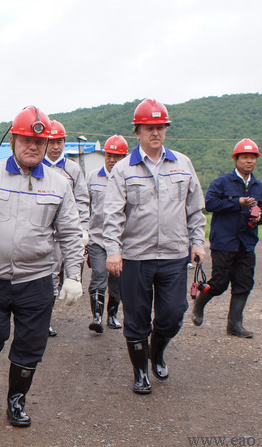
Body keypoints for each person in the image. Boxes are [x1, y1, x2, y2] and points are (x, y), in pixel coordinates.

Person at [0, 106, 84, 427]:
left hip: (36, 280)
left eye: (40, 141)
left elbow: (70, 231)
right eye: (26, 140)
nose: (33, 146)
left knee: (30, 345)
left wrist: (74, 275)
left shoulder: (59, 184)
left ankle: (16, 400)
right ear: (13, 140)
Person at [103, 99, 206, 395]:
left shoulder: (183, 164)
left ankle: (156, 352)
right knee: (136, 317)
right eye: (149, 128)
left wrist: (197, 242)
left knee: (172, 314)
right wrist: (113, 250)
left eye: (160, 127)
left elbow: (195, 208)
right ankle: (140, 372)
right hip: (135, 256)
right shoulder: (123, 169)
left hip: (174, 255)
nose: (156, 133)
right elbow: (112, 214)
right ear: (138, 131)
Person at [190, 138, 262, 338]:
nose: (249, 161)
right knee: (219, 283)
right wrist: (238, 202)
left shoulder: (258, 186)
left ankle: (235, 325)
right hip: (224, 242)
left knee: (243, 284)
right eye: (245, 157)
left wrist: (260, 217)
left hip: (247, 243)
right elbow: (210, 203)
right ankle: (200, 303)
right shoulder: (222, 182)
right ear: (236, 159)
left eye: (252, 158)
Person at [43, 120, 90, 336]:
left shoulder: (72, 169)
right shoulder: (37, 167)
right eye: (51, 141)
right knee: (49, 274)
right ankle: (46, 318)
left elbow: (82, 200)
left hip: (68, 230)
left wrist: (83, 228)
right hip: (45, 232)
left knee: (68, 271)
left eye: (59, 141)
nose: (55, 146)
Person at [87, 135, 128, 333]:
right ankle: (97, 315)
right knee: (99, 275)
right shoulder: (93, 177)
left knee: (117, 280)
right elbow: (85, 205)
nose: (112, 160)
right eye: (109, 155)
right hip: (97, 238)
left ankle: (112, 315)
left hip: (121, 241)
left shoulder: (127, 177)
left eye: (117, 156)